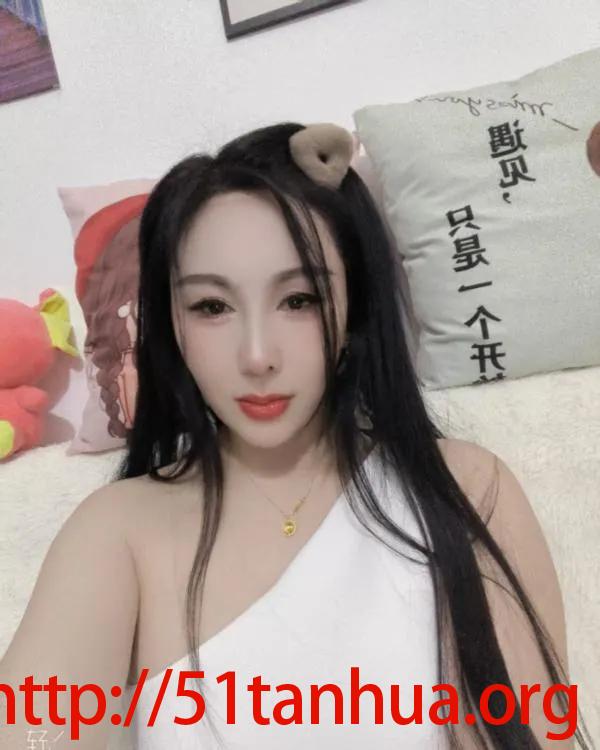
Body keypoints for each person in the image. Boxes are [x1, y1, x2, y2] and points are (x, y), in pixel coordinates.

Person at [0, 122, 593, 750]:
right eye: (211, 307)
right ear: (171, 323)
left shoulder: (466, 489)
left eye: (299, 300)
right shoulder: (116, 530)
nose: (257, 356)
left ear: (354, 305)